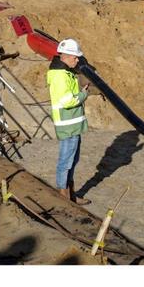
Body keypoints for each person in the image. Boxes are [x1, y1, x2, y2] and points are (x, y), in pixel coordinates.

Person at [47, 38, 92, 205]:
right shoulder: (60, 76)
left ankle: (70, 194)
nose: (78, 60)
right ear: (66, 56)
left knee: (73, 159)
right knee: (66, 160)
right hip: (67, 125)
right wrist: (83, 95)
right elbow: (67, 101)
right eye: (75, 57)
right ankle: (63, 195)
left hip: (72, 124)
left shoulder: (66, 73)